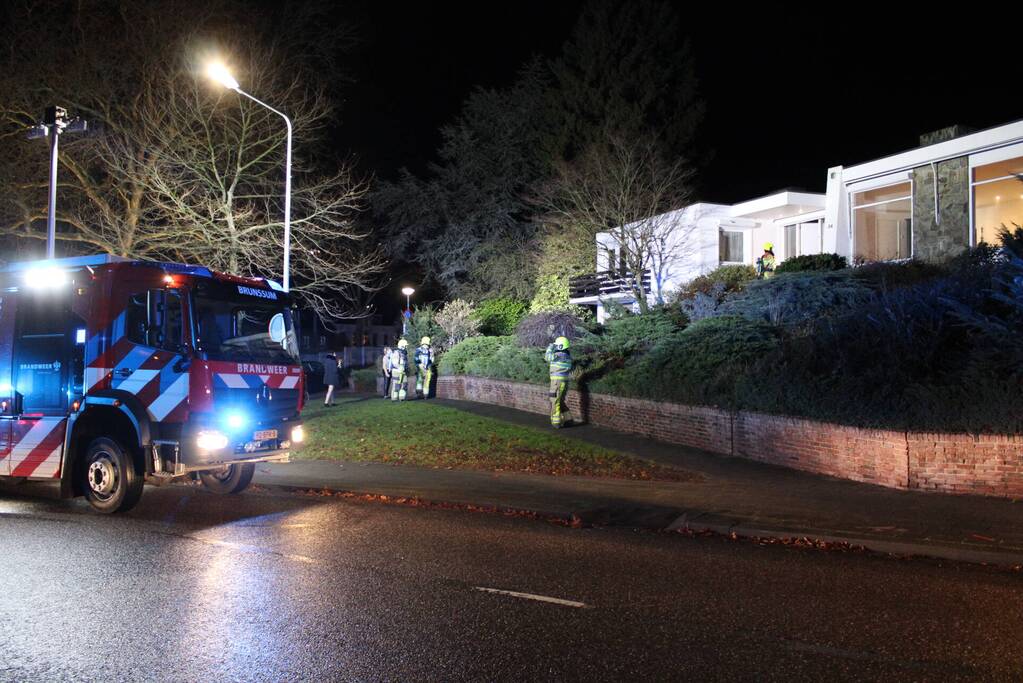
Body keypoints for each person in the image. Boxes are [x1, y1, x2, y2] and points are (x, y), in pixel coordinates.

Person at [544, 336, 573, 428]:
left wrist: (550, 347)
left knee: (554, 401)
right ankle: (568, 420)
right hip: (563, 382)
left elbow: (547, 357)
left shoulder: (559, 355)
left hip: (557, 382)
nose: (555, 347)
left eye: (557, 345)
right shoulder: (567, 356)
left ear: (560, 346)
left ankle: (556, 422)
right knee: (560, 400)